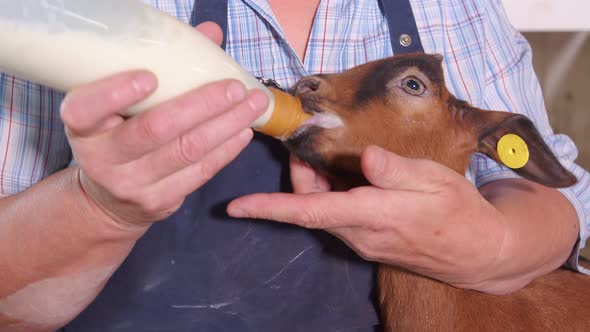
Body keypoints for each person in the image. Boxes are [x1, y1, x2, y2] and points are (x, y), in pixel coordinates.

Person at [0, 0, 588, 331]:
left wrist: (497, 244)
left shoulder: (454, 6)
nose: (309, 87)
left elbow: (561, 204)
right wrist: (96, 206)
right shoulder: (74, 13)